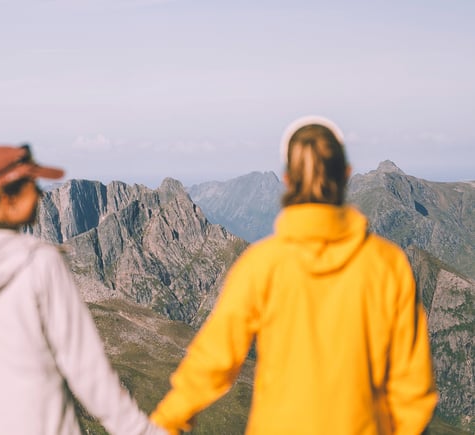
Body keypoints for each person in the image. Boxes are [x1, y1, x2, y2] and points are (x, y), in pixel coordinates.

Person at [149, 116, 438, 434]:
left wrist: (167, 420)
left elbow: (213, 360)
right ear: (346, 174)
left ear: (287, 180)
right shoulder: (387, 265)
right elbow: (413, 388)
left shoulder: (262, 265)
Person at [0, 144, 164, 435]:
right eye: (32, 185)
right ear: (7, 196)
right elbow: (89, 373)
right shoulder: (39, 263)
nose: (40, 193)